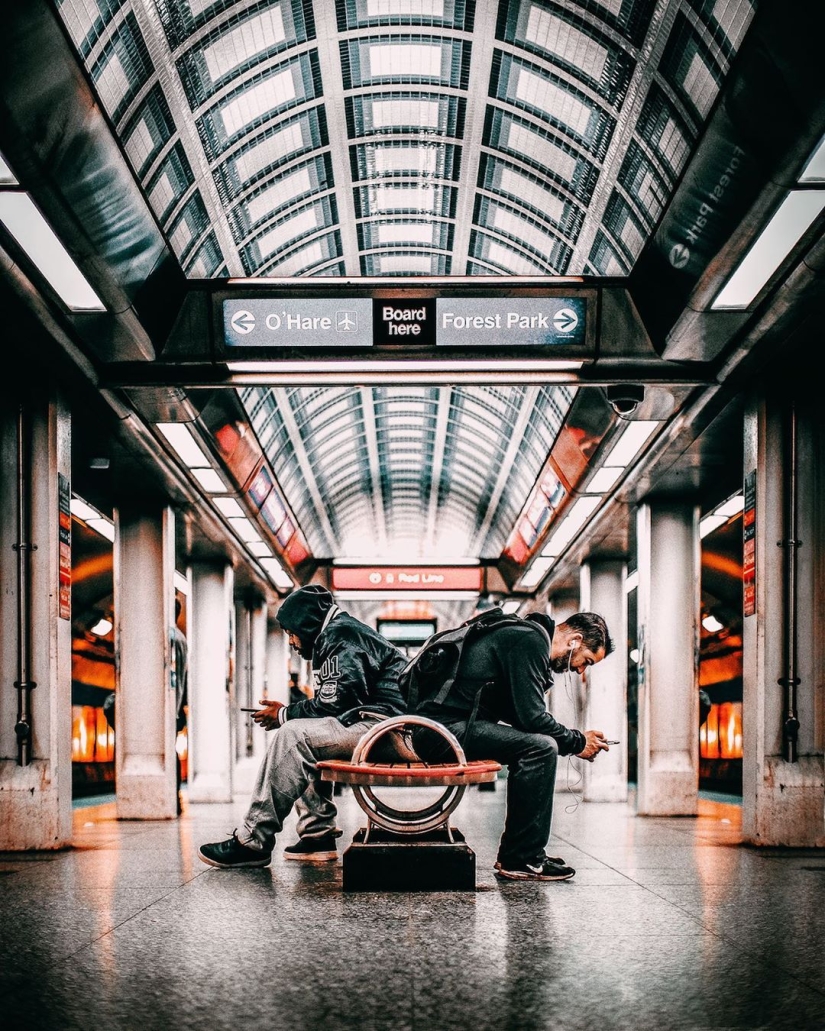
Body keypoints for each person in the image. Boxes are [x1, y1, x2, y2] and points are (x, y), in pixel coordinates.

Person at [198, 584, 408, 869]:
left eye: (291, 632)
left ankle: (254, 841)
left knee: (294, 734)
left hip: (387, 729)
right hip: (382, 725)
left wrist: (284, 715)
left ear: (306, 623)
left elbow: (337, 703)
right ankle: (317, 836)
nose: (292, 642)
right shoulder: (339, 634)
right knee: (307, 731)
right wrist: (291, 713)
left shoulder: (341, 635)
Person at [410, 610, 615, 882]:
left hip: (442, 727)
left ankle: (524, 854)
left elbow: (520, 714)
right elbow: (532, 718)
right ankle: (522, 858)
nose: (579, 670)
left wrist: (569, 738)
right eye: (585, 661)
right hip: (439, 732)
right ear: (574, 640)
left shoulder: (524, 635)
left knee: (539, 744)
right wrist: (577, 742)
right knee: (540, 748)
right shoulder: (528, 640)